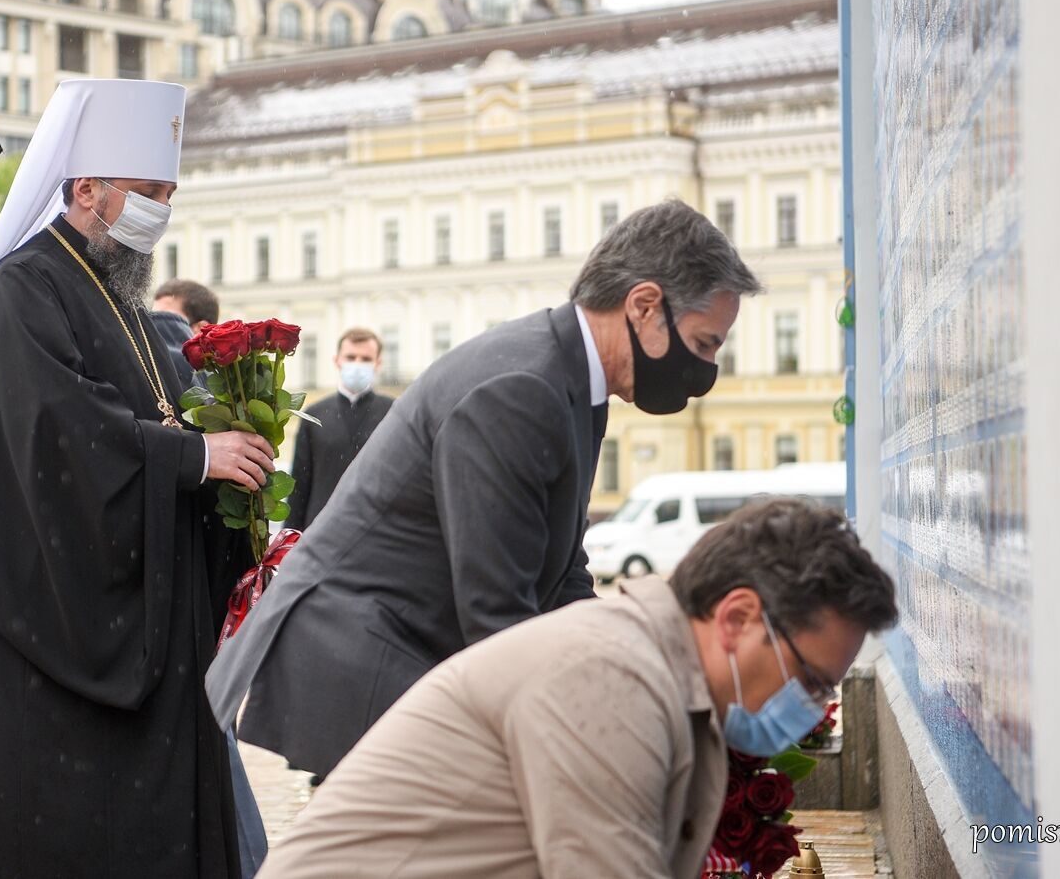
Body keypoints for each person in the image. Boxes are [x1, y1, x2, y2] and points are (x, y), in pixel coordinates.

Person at [209, 198, 762, 777]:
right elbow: (496, 609)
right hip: (368, 664)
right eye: (703, 344)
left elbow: (560, 572)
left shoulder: (574, 379)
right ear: (645, 306)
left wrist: (630, 670)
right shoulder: (524, 388)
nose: (703, 373)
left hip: (408, 659)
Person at [0, 79, 270, 878]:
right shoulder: (27, 285)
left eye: (169, 193)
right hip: (58, 619)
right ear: (86, 189)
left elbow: (160, 412)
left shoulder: (120, 291)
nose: (159, 209)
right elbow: (58, 432)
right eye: (145, 192)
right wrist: (197, 458)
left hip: (146, 615)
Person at [257, 500, 898, 878]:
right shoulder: (612, 679)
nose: (813, 708)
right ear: (736, 619)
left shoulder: (673, 687)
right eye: (809, 679)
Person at [282, 328, 394, 533]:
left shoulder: (394, 413)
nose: (358, 364)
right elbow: (299, 486)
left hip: (378, 533)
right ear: (337, 361)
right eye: (351, 357)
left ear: (378, 364)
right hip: (320, 531)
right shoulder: (314, 415)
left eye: (366, 359)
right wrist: (289, 540)